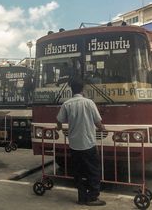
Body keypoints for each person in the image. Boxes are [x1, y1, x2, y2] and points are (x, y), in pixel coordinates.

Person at [56, 77, 106, 206]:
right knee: (93, 171)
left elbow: (59, 121)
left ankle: (82, 197)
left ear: (71, 90)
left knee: (78, 172)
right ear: (83, 89)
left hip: (74, 145)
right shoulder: (89, 103)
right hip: (88, 144)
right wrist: (103, 128)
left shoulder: (67, 104)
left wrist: (59, 128)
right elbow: (98, 122)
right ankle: (93, 198)